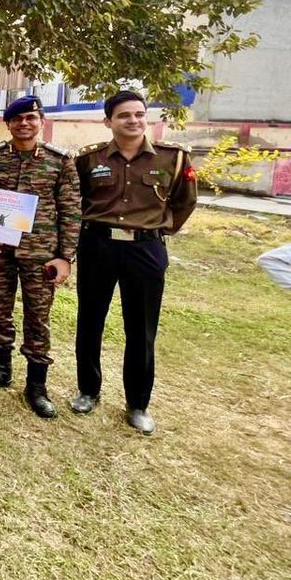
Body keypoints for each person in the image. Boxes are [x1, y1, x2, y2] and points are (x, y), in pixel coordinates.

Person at [69, 90, 198, 435]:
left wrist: (158, 231)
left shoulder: (173, 159)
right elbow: (73, 200)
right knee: (90, 320)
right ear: (109, 121)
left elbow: (185, 203)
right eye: (125, 115)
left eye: (139, 114)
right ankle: (88, 390)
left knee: (141, 329)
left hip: (145, 250)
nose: (134, 120)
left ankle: (138, 403)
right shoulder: (88, 159)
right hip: (98, 245)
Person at [0, 96, 81, 418]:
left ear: (41, 121)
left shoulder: (60, 161)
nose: (24, 124)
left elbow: (71, 210)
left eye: (30, 117)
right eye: (17, 119)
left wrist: (66, 257)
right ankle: (0, 369)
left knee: (37, 318)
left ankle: (36, 385)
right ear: (9, 124)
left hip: (41, 254)